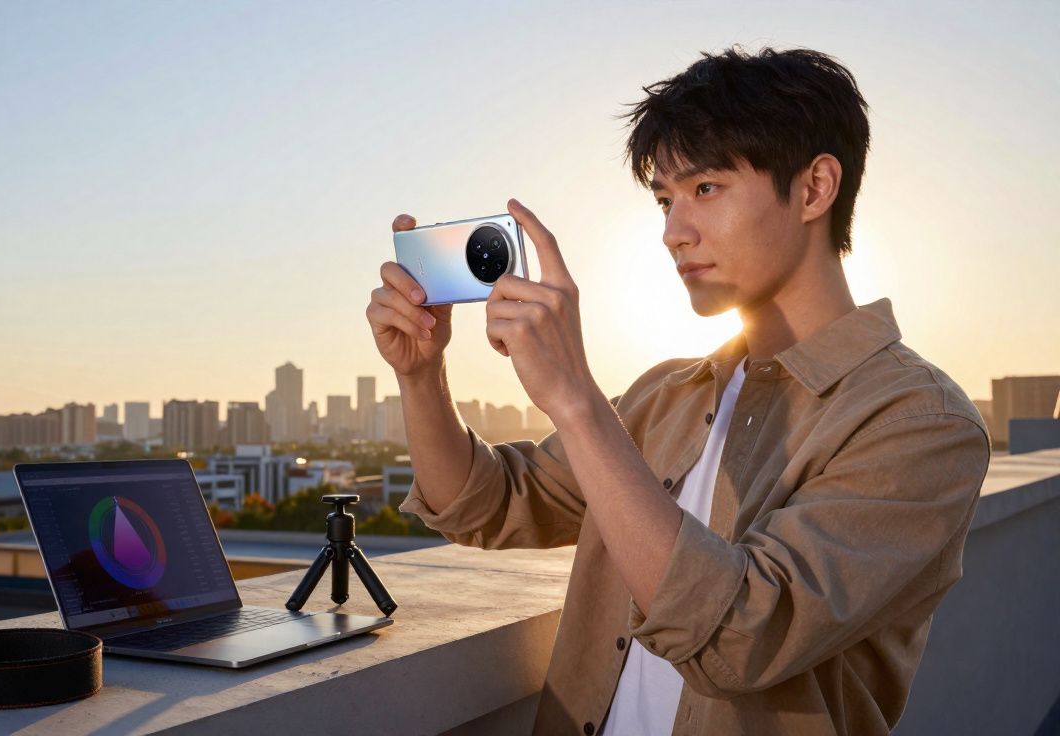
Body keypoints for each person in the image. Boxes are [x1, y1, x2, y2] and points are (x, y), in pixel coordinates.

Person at [365, 46, 991, 736]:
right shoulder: (668, 392)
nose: (672, 231)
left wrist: (575, 399)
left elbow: (738, 639)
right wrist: (421, 375)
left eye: (706, 189)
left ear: (814, 188)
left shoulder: (919, 422)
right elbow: (485, 504)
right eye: (664, 199)